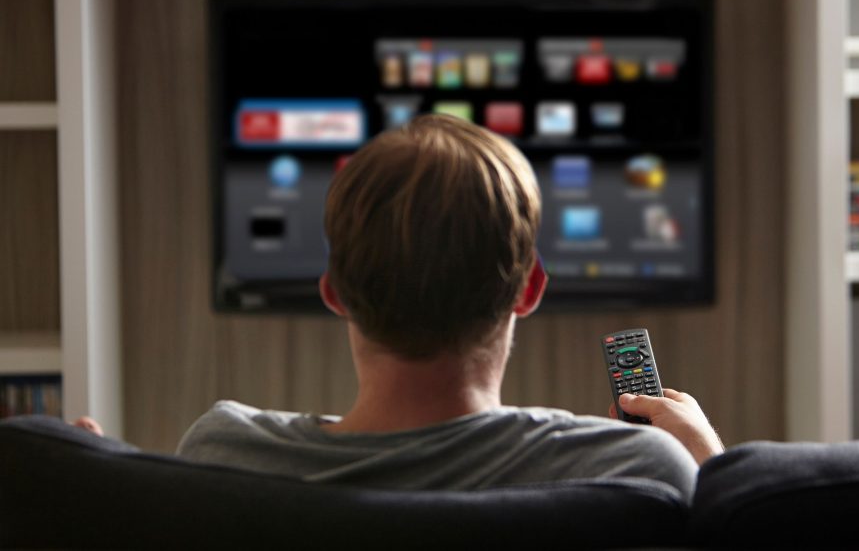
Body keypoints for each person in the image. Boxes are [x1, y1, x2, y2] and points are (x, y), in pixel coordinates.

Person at [80, 114, 723, 493]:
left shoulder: (223, 456)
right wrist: (714, 472)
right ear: (529, 288)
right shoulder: (635, 469)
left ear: (332, 291)